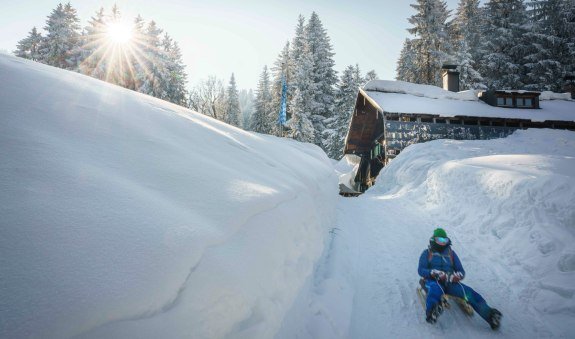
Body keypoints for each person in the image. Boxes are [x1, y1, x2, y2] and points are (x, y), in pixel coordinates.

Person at [418, 228, 502, 330]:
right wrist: (432, 272)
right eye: (439, 240)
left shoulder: (451, 254)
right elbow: (421, 270)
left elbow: (461, 271)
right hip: (432, 280)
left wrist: (457, 276)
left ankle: (490, 315)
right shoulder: (427, 253)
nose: (441, 243)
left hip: (450, 282)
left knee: (467, 292)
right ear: (433, 240)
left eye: (444, 240)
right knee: (435, 289)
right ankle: (432, 312)